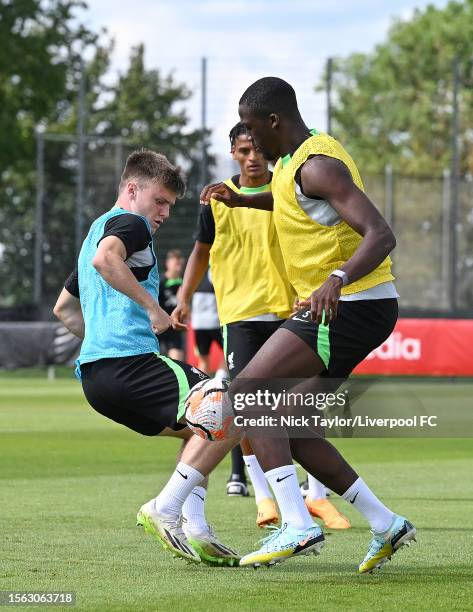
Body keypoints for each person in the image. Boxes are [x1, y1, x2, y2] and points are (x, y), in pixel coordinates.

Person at [198, 77, 416, 572]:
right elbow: (292, 201)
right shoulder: (293, 167)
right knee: (288, 425)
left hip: (348, 305)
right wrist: (242, 201)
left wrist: (335, 279)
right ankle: (386, 524)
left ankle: (296, 525)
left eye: (253, 130)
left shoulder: (317, 164)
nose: (250, 141)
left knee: (250, 393)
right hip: (350, 308)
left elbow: (381, 233)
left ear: (275, 121)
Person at [53, 148, 239, 567]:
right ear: (132, 189)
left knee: (200, 429)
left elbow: (63, 309)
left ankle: (198, 529)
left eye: (170, 206)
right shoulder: (131, 224)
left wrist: (100, 341)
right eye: (160, 201)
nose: (164, 213)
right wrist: (153, 310)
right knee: (232, 408)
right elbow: (108, 259)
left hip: (96, 381)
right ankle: (168, 509)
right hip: (132, 363)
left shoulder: (92, 235)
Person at [174, 122, 348, 529]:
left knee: (304, 403)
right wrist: (184, 296)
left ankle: (317, 497)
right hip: (239, 313)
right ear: (232, 153)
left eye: (256, 149)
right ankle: (267, 499)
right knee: (251, 408)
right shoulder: (216, 198)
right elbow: (201, 252)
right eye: (243, 150)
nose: (252, 157)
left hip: (291, 308)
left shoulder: (289, 188)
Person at [190, 268, 226, 378]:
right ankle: (220, 379)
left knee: (203, 359)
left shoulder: (194, 276)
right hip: (215, 323)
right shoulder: (215, 273)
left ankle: (201, 388)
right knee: (229, 353)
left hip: (198, 325)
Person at [158, 249, 185, 361]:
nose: (178, 266)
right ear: (167, 263)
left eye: (180, 263)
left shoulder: (183, 283)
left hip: (174, 327)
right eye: (175, 263)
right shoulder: (160, 282)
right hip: (159, 326)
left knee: (177, 360)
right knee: (155, 361)